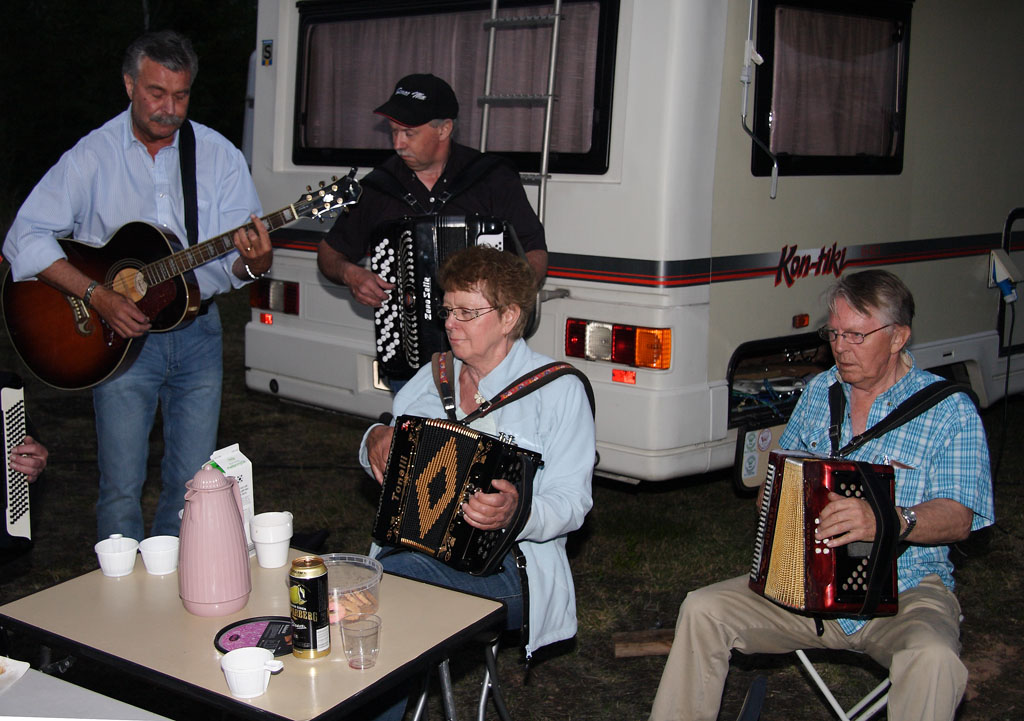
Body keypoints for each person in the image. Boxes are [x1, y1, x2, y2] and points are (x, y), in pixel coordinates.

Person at [649, 269, 994, 721]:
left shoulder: (949, 411)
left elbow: (959, 517)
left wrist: (885, 519)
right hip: (805, 586)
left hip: (906, 590)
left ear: (898, 337)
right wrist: (775, 501)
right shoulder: (819, 392)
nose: (841, 348)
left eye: (856, 335)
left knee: (934, 658)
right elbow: (782, 474)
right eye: (834, 333)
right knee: (702, 609)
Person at [2, 30, 272, 542]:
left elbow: (235, 265)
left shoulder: (218, 155)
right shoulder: (93, 155)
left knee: (196, 487)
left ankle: (179, 580)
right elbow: (24, 236)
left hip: (198, 336)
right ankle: (118, 586)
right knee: (121, 487)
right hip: (118, 341)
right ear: (129, 85)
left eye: (181, 95)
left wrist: (254, 264)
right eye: (156, 93)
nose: (169, 109)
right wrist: (96, 295)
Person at [360, 246, 593, 719]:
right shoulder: (433, 377)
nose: (450, 324)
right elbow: (388, 452)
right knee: (358, 589)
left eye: (466, 312)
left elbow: (573, 503)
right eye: (447, 310)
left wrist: (517, 512)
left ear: (509, 317)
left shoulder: (558, 390)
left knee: (385, 595)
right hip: (412, 553)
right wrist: (373, 441)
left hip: (512, 569)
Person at [316, 73, 548, 310]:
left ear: (444, 129)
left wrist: (508, 298)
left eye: (409, 133)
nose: (398, 144)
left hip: (484, 329)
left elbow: (534, 249)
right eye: (393, 131)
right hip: (407, 328)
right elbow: (329, 252)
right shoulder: (377, 187)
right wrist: (350, 274)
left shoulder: (492, 178)